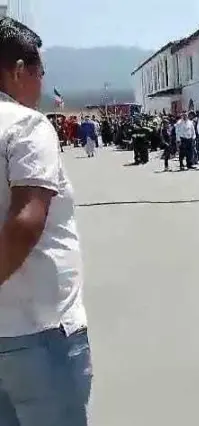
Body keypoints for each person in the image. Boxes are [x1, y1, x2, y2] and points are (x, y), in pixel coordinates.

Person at [0, 17, 92, 425]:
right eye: (38, 72)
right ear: (18, 71)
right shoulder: (25, 125)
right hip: (37, 333)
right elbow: (25, 222)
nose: (40, 84)